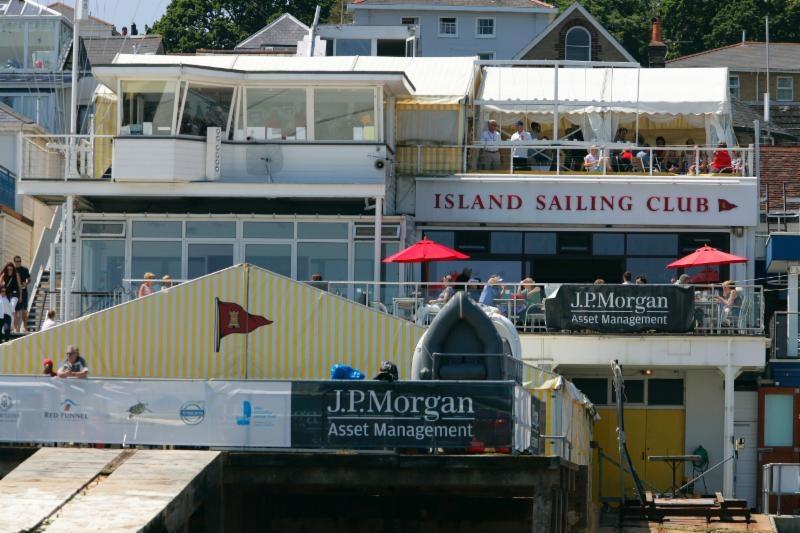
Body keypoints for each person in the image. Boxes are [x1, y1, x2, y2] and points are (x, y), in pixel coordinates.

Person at [12, 256, 29, 333]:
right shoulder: (12, 270)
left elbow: (29, 279)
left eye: (20, 261)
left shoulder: (25, 270)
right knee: (15, 311)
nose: (18, 263)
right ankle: (15, 328)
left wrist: (26, 283)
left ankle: (24, 327)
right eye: (17, 261)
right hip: (15, 292)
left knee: (24, 310)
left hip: (24, 291)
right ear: (14, 262)